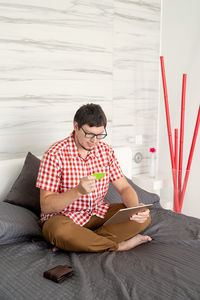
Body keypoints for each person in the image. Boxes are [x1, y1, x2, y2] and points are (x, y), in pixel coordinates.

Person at [36, 103, 152, 252]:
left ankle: (82, 242)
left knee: (143, 218)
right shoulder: (54, 154)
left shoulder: (106, 151)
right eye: (89, 134)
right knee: (57, 231)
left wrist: (135, 210)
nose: (94, 141)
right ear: (76, 126)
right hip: (64, 218)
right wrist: (77, 191)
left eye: (99, 135)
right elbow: (46, 205)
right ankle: (116, 246)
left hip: (98, 213)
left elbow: (124, 187)